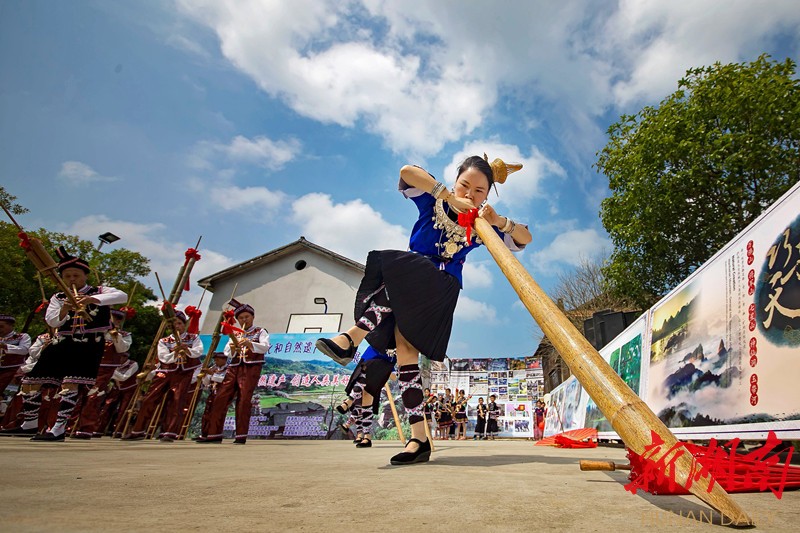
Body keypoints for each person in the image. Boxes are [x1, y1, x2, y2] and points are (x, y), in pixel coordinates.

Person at [316, 155, 531, 464]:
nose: (469, 194)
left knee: (407, 270)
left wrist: (499, 222)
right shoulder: (434, 201)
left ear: (487, 195)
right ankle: (419, 439)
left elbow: (525, 237)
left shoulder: (483, 225)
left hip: (439, 287)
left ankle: (352, 337)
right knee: (405, 355)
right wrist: (444, 194)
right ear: (455, 181)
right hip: (409, 279)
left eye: (479, 191)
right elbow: (407, 172)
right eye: (465, 185)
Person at [24, 247, 127, 441]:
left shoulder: (100, 291)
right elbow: (53, 322)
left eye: (76, 275)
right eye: (67, 276)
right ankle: (29, 422)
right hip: (62, 342)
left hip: (88, 344)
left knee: (70, 383)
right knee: (32, 381)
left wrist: (91, 299)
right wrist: (65, 309)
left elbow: (122, 297)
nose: (72, 279)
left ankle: (58, 428)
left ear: (85, 276)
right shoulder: (58, 297)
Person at [122, 309, 203, 441]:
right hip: (165, 372)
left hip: (183, 373)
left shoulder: (193, 338)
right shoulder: (164, 341)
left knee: (177, 401)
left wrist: (186, 349)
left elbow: (198, 351)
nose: (176, 327)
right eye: (173, 325)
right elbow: (163, 357)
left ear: (184, 324)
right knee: (149, 399)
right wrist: (175, 353)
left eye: (179, 323)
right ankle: (138, 430)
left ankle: (170, 432)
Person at [199, 300, 269, 444]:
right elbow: (227, 353)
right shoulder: (235, 333)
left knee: (243, 400)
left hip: (250, 368)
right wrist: (233, 347)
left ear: (252, 317)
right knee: (220, 397)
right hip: (234, 367)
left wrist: (250, 344)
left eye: (247, 317)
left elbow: (265, 347)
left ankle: (241, 435)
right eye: (241, 318)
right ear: (237, 320)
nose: (244, 320)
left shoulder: (260, 331)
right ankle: (214, 434)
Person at [71, 309, 132, 439]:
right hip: (87, 365)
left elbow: (122, 349)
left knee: (94, 397)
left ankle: (86, 428)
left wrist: (116, 336)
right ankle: (68, 426)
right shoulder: (95, 329)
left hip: (105, 369)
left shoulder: (124, 335)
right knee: (77, 394)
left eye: (118, 319)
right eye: (112, 318)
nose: (114, 321)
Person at [337, 345, 397, 448]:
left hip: (385, 361)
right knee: (364, 400)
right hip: (373, 353)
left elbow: (394, 376)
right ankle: (366, 437)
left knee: (365, 400)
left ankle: (349, 402)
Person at [0, 314, 31, 425]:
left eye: (1, 326)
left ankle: (7, 422)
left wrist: (6, 347)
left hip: (13, 370)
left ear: (11, 326)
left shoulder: (22, 337)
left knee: (9, 396)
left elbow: (24, 350)